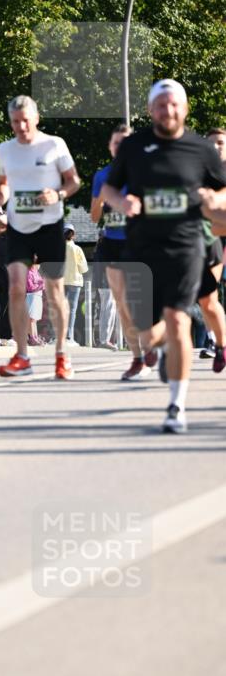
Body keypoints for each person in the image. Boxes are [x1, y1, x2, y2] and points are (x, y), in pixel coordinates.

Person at [101, 79, 226, 433]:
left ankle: (176, 406)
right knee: (146, 331)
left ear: (184, 109)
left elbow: (223, 186)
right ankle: (164, 349)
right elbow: (110, 186)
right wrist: (121, 201)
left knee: (178, 320)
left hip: (185, 246)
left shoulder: (201, 150)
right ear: (150, 109)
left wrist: (217, 201)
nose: (167, 111)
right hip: (142, 247)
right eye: (161, 105)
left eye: (174, 105)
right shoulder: (134, 146)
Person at [0, 95, 81, 379]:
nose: (21, 127)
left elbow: (74, 181)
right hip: (18, 227)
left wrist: (59, 194)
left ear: (36, 118)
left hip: (50, 226)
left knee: (54, 293)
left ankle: (61, 356)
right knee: (17, 287)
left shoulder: (54, 144)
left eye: (25, 121)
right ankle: (22, 355)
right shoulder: (5, 149)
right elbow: (4, 184)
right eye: (15, 122)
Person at [91, 123, 153, 380]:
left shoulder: (146, 172)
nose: (121, 147)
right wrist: (102, 202)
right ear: (110, 147)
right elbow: (95, 218)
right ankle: (138, 358)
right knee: (123, 304)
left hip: (138, 243)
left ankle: (151, 350)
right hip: (112, 244)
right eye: (117, 143)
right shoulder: (102, 176)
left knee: (140, 303)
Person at [195, 128, 226, 372]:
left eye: (220, 143)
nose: (216, 147)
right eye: (211, 144)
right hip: (212, 240)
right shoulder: (199, 174)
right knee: (208, 296)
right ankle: (215, 342)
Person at [63, 222, 88, 344]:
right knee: (72, 310)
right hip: (75, 281)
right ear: (73, 235)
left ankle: (58, 335)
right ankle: (69, 336)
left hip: (61, 282)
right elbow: (84, 268)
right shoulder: (77, 249)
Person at [25, 257, 44, 345]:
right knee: (31, 318)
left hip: (38, 296)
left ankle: (35, 336)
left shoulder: (36, 272)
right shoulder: (28, 272)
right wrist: (42, 285)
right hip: (32, 296)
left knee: (34, 319)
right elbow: (30, 287)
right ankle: (32, 337)